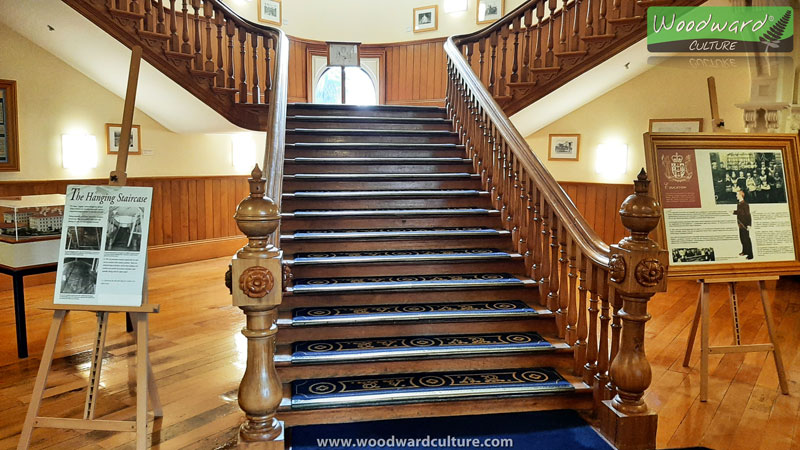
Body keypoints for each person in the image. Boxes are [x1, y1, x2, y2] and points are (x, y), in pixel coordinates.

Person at [733, 190, 753, 260]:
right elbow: (740, 212)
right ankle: (744, 251)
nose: (736, 196)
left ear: (741, 195)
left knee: (747, 239)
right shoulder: (739, 204)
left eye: (737, 194)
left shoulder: (745, 204)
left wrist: (749, 224)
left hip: (744, 224)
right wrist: (734, 212)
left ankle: (750, 255)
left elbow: (748, 215)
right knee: (742, 239)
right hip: (740, 224)